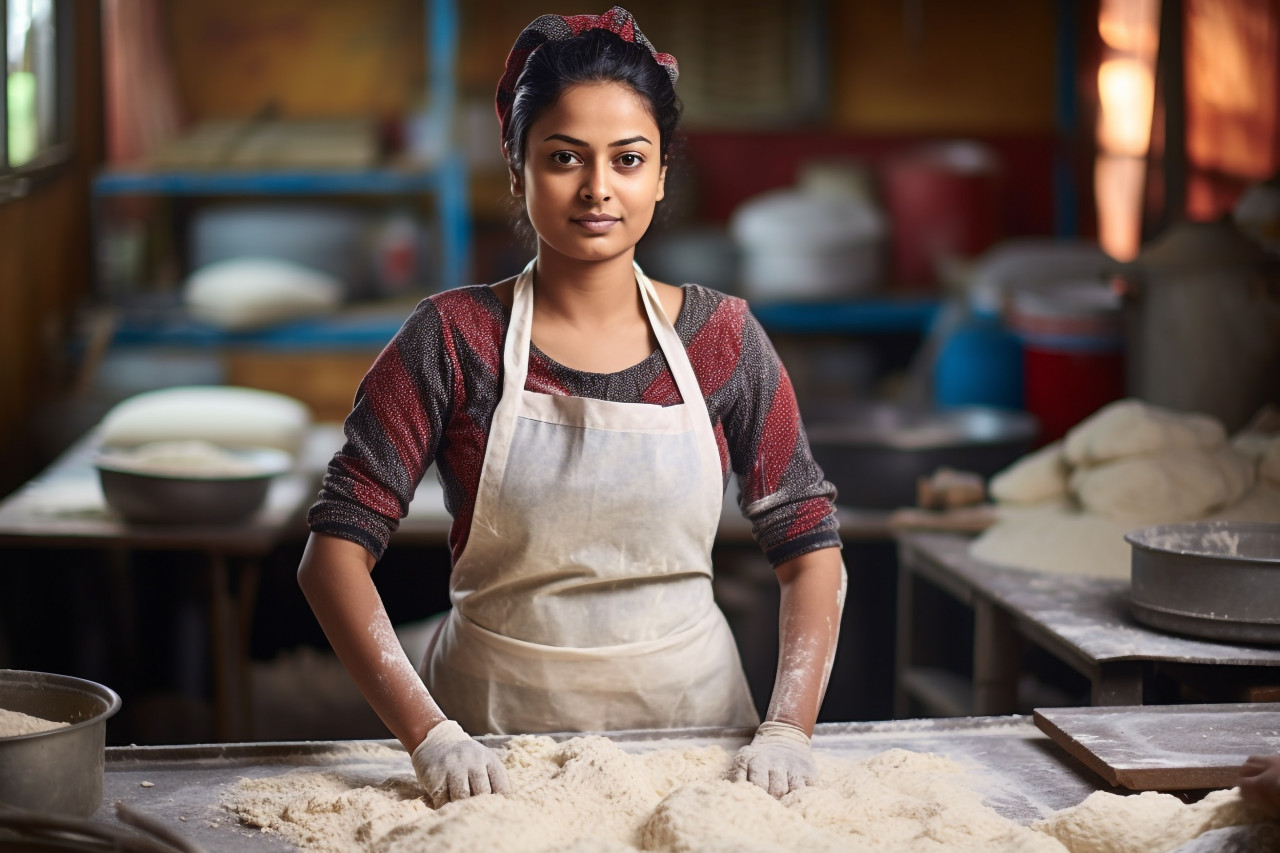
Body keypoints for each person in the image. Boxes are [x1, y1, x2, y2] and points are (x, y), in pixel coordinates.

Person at [298, 6, 847, 809]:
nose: (598, 189)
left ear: (662, 176)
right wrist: (430, 733)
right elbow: (332, 557)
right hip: (490, 761)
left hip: (693, 754)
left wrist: (789, 728)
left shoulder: (723, 340)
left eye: (628, 159)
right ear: (516, 169)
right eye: (564, 158)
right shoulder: (452, 339)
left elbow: (810, 548)